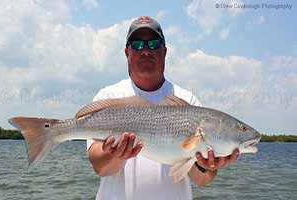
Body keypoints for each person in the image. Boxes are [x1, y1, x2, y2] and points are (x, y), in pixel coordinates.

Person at [87, 16, 239, 200]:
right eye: (137, 44)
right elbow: (100, 167)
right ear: (127, 53)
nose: (145, 51)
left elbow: (201, 180)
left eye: (153, 44)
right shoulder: (108, 96)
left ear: (164, 51)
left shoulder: (188, 101)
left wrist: (205, 165)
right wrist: (116, 156)